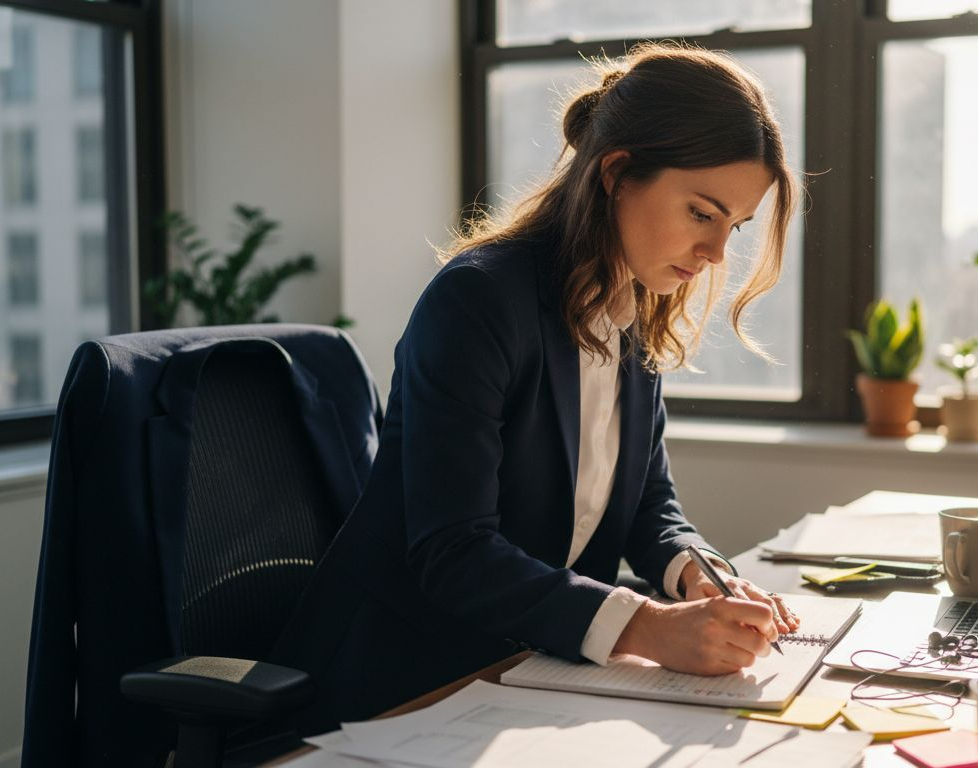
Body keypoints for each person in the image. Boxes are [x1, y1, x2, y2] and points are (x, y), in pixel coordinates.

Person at [276, 42, 801, 730]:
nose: (715, 254)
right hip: (403, 683)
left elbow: (647, 503)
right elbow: (454, 551)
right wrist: (648, 627)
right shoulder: (477, 301)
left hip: (525, 670)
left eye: (733, 226)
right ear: (617, 174)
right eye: (702, 213)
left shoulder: (633, 310)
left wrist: (699, 572)